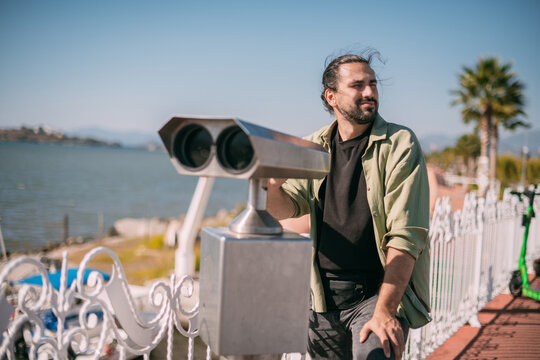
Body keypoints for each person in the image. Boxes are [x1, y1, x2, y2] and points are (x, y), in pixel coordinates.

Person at [267, 53, 431, 360]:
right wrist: (272, 188)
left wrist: (384, 311)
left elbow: (406, 238)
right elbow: (283, 209)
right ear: (332, 97)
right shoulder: (313, 147)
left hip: (376, 294)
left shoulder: (400, 143)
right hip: (322, 299)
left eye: (372, 83)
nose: (369, 92)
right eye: (357, 85)